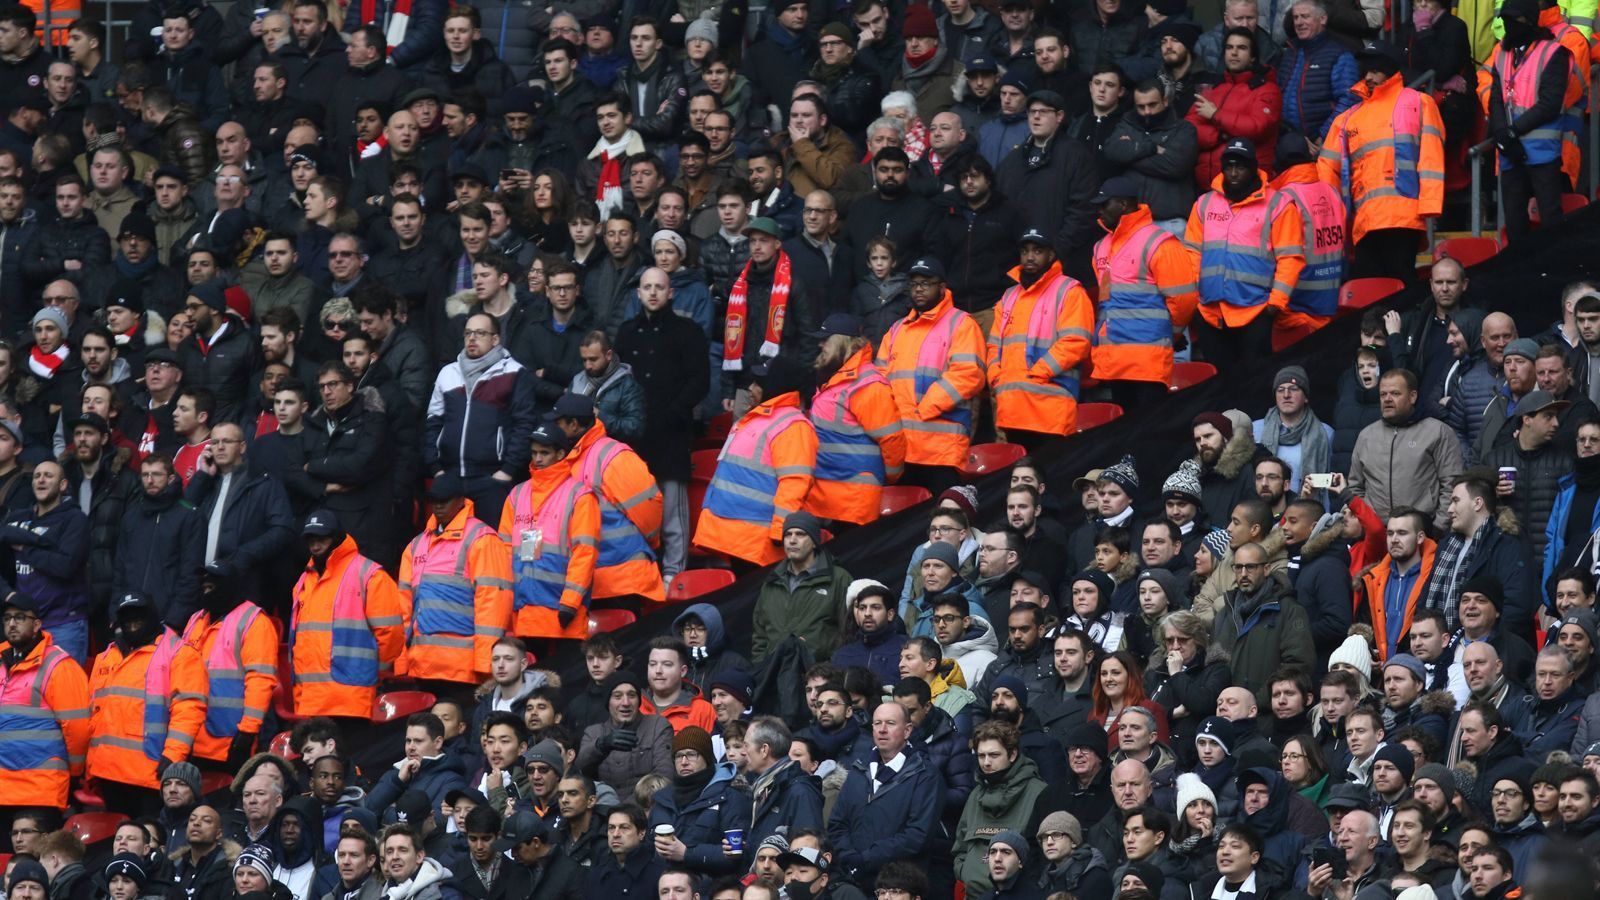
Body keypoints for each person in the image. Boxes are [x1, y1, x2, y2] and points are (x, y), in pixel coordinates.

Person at [1317, 39, 1445, 281]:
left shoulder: (1417, 102)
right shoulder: (1348, 119)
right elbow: (1327, 168)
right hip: (1367, 220)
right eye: (1366, 70)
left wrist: (1430, 205)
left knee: (1391, 286)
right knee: (1376, 289)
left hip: (1401, 215)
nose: (1368, 76)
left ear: (1390, 69)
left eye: (1375, 70)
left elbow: (1431, 157)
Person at [1186, 139, 1305, 369]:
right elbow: (1192, 253)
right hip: (1211, 312)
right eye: (1228, 167)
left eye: (1239, 167)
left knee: (1254, 383)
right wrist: (1194, 300)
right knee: (1218, 386)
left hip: (1257, 311)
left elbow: (1290, 258)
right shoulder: (1204, 203)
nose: (1233, 173)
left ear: (1253, 169)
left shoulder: (1278, 204)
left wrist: (1275, 304)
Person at [86, 591, 207, 814]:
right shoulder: (106, 656)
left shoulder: (179, 654)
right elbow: (92, 712)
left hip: (150, 771)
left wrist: (173, 756)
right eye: (127, 615)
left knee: (148, 839)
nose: (133, 621)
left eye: (139, 614)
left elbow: (189, 710)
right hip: (106, 771)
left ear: (152, 615)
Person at [694, 357, 818, 568]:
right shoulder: (757, 419)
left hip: (754, 543)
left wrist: (781, 532)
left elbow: (794, 484)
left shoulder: (793, 427)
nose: (750, 389)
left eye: (757, 384)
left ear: (774, 386)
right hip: (731, 537)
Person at [1088, 176, 1200, 407]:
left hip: (1147, 360)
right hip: (1114, 359)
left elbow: (1184, 299)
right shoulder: (1101, 247)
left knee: (1149, 433)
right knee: (1125, 435)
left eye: (1104, 204)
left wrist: (1172, 334)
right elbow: (1106, 301)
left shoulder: (1159, 242)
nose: (1099, 211)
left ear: (1123, 205)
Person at [875, 257, 985, 489]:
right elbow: (880, 382)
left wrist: (924, 408)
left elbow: (968, 374)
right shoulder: (896, 330)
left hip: (941, 450)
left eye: (926, 283)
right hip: (901, 448)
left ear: (942, 288)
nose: (919, 290)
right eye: (914, 284)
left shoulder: (961, 323)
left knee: (943, 520)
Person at [288, 510, 407, 718]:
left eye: (321, 539)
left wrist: (370, 671)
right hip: (310, 698)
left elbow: (392, 635)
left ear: (336, 538)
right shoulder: (304, 580)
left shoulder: (369, 575)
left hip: (350, 698)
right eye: (310, 540)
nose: (315, 546)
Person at [396, 473, 512, 686]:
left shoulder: (482, 539)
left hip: (463, 669)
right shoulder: (416, 545)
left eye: (444, 500)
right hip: (422, 666)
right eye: (434, 501)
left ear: (461, 501)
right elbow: (403, 609)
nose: (438, 506)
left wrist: (486, 662)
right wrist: (402, 662)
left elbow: (493, 604)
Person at [986, 227, 1094, 445]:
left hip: (1050, 405)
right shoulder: (1009, 297)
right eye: (1025, 251)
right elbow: (994, 345)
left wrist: (1038, 373)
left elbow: (1076, 342)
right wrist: (997, 378)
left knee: (1050, 473)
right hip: (1013, 406)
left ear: (1051, 255)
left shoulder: (1069, 291)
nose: (1030, 257)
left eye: (1037, 251)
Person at [424, 313, 537, 519]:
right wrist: (436, 468)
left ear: (495, 339)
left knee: (491, 546)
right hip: (450, 477)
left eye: (480, 333)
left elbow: (524, 425)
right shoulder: (448, 373)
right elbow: (433, 422)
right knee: (450, 548)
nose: (472, 338)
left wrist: (507, 471)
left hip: (492, 479)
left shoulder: (514, 372)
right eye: (468, 333)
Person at [498, 420, 599, 642]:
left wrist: (570, 602)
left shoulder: (579, 496)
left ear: (561, 453)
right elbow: (503, 552)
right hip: (522, 611)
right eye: (534, 453)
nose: (538, 459)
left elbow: (584, 554)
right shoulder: (517, 494)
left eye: (544, 453)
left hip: (561, 611)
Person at [1484, 0, 1576, 245]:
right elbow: (1495, 98)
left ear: (1530, 20)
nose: (1509, 25)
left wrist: (1512, 132)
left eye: (1515, 20)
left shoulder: (1554, 52)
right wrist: (1502, 133)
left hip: (1542, 153)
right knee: (1515, 224)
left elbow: (1550, 103)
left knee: (1550, 220)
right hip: (1510, 153)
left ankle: (1551, 271)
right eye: (1506, 20)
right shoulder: (1503, 54)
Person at [803, 314, 906, 526]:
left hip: (852, 501)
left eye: (826, 339)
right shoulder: (833, 377)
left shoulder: (868, 385)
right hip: (825, 496)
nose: (820, 344)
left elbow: (892, 440)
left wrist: (888, 477)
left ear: (843, 341)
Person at [827, 702, 942, 886]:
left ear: (907, 730)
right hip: (852, 878)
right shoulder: (858, 770)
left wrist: (866, 859)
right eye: (877, 723)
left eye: (890, 723)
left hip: (899, 884)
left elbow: (917, 836)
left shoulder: (925, 775)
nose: (882, 729)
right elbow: (837, 823)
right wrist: (849, 857)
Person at [181, 562, 278, 770]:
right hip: (192, 738)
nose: (206, 589)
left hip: (230, 739)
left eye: (212, 585)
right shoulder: (195, 621)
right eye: (204, 586)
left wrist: (247, 732)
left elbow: (260, 681)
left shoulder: (254, 621)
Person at [0, 591, 90, 811]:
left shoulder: (60, 666)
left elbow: (78, 729)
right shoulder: (2, 662)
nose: (12, 624)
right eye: (7, 618)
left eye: (20, 617)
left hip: (40, 790)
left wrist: (75, 774)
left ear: (37, 624)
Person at [1348, 369, 1465, 531]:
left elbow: (1452, 484)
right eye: (1383, 395)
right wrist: (1367, 524)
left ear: (1412, 396)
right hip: (1375, 535)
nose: (1387, 399)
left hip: (1422, 533)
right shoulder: (1366, 436)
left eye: (1395, 393)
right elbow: (1356, 487)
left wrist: (1438, 527)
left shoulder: (1438, 432)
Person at [3, 460, 92, 662]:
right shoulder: (16, 519)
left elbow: (64, 566)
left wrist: (25, 548)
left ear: (63, 485)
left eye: (48, 476)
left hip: (63, 624)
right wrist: (6, 593)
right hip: (22, 624)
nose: (41, 480)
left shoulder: (74, 520)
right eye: (37, 476)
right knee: (19, 691)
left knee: (63, 689)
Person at [751, 511, 853, 663]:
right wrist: (762, 670)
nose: (792, 540)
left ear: (814, 542)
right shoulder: (771, 582)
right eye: (787, 535)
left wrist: (831, 670)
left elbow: (849, 631)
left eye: (800, 534)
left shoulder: (839, 579)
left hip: (821, 676)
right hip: (774, 677)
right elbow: (760, 636)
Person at [576, 670, 674, 796]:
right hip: (603, 809)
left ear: (639, 700)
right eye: (617, 696)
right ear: (608, 701)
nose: (626, 703)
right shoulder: (593, 733)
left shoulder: (657, 726)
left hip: (644, 808)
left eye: (632, 695)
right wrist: (600, 746)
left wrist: (627, 810)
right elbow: (579, 771)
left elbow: (664, 777)